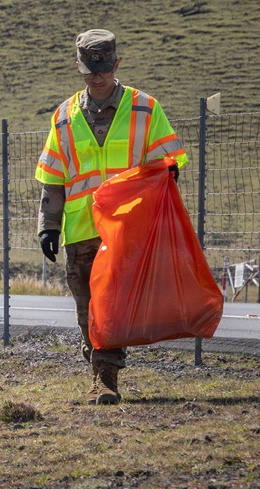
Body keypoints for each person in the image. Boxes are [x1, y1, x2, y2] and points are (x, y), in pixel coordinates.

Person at [36, 29, 188, 405]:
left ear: (116, 64)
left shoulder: (145, 108)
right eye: (90, 70)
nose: (97, 76)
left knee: (114, 306)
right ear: (79, 67)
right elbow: (53, 181)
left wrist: (166, 177)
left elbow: (168, 166)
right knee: (87, 305)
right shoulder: (63, 118)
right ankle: (99, 366)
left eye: (103, 68)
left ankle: (105, 378)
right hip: (82, 231)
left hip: (128, 230)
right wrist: (47, 226)